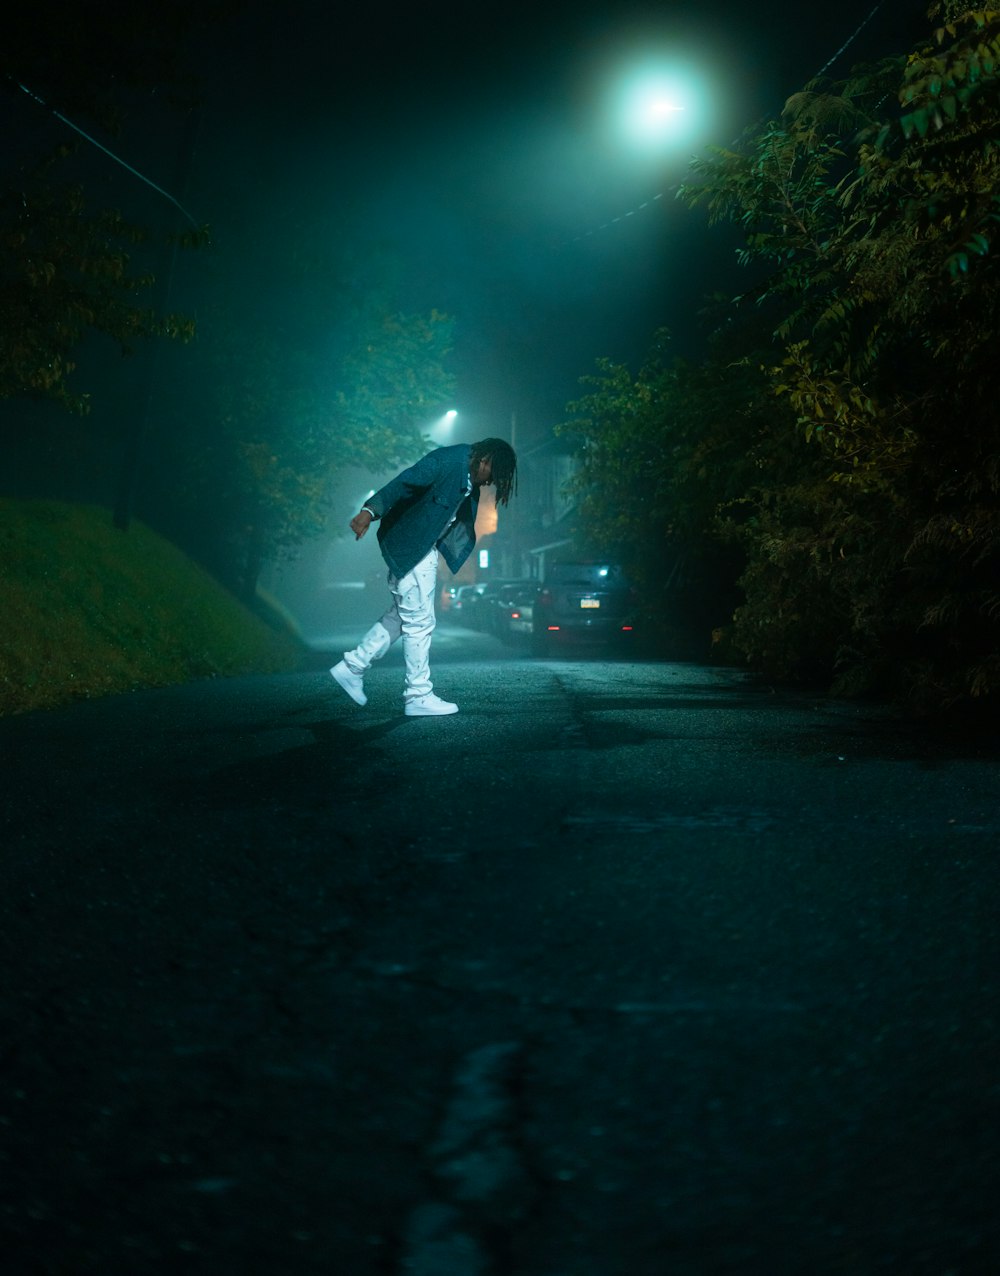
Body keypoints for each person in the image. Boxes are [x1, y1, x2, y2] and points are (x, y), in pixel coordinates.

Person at [330, 438, 518, 716]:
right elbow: (404, 482)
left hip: (421, 547)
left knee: (401, 616)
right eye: (494, 474)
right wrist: (369, 512)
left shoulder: (468, 473)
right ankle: (418, 694)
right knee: (420, 622)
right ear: (485, 460)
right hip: (412, 547)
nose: (490, 483)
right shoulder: (447, 461)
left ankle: (353, 666)